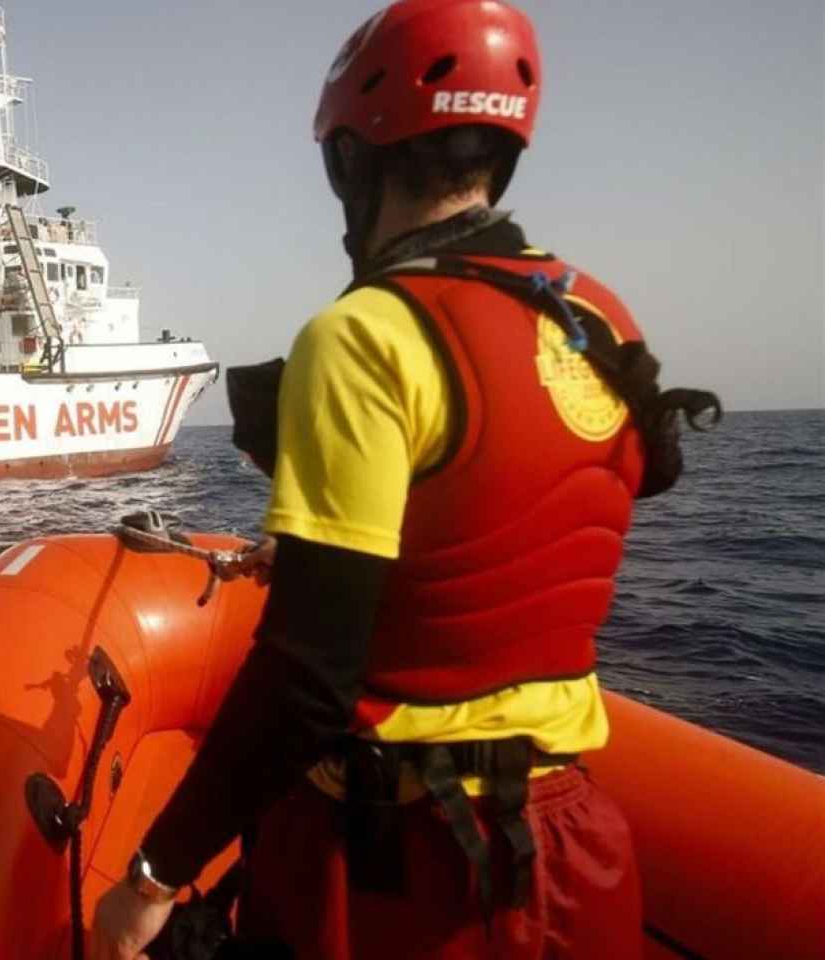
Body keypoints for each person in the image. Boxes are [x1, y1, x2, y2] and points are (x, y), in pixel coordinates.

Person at [91, 2, 719, 958]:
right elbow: (553, 499)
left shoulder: (364, 336)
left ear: (350, 161)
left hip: (404, 871)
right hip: (571, 849)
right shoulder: (601, 319)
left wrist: (152, 878)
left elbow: (306, 681)